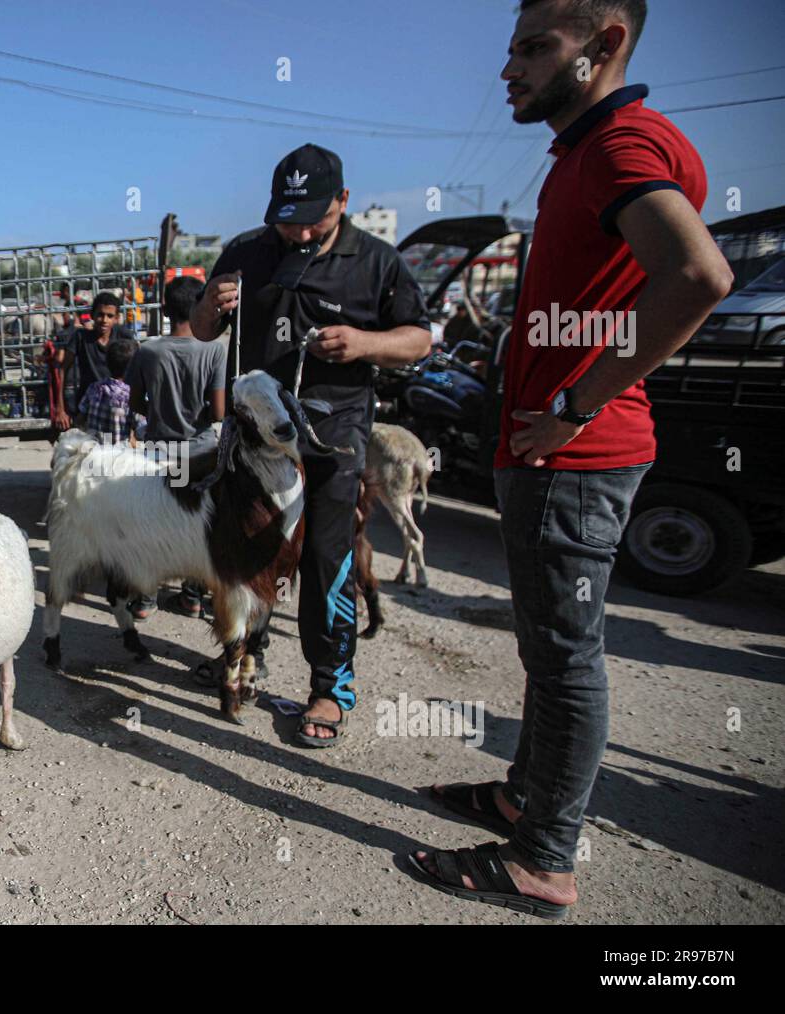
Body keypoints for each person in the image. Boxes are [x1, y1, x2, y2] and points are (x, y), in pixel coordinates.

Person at [410, 0, 733, 918]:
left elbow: (700, 276)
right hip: (560, 454)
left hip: (574, 459)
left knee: (564, 660)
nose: (508, 69)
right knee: (549, 652)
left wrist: (571, 407)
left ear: (604, 44)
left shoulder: (620, 148)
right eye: (511, 47)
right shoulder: (592, 150)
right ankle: (526, 798)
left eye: (533, 48)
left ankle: (543, 859)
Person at [192, 143, 431, 746]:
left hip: (332, 443)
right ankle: (245, 654)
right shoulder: (246, 251)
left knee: (326, 560)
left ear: (343, 201)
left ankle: (329, 687)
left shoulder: (376, 261)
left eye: (313, 219)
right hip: (254, 444)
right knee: (247, 551)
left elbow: (419, 340)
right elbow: (201, 329)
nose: (299, 232)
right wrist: (210, 305)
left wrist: (366, 344)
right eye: (288, 219)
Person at [128, 276, 226, 618]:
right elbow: (218, 412)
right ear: (200, 307)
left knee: (150, 525)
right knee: (197, 525)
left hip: (159, 453)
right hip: (200, 453)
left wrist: (159, 411)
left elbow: (135, 403)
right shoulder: (215, 350)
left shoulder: (148, 351)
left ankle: (145, 600)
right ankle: (192, 597)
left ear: (164, 309)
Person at [52, 291, 136, 431]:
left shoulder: (124, 336)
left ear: (116, 318)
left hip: (119, 407)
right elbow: (62, 370)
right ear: (92, 315)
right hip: (89, 408)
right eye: (100, 315)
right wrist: (60, 409)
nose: (104, 320)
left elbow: (137, 370)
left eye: (110, 316)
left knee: (118, 443)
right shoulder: (80, 338)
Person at [78, 337, 139, 443]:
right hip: (119, 451)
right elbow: (141, 427)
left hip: (94, 450)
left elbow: (80, 418)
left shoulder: (94, 388)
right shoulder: (130, 395)